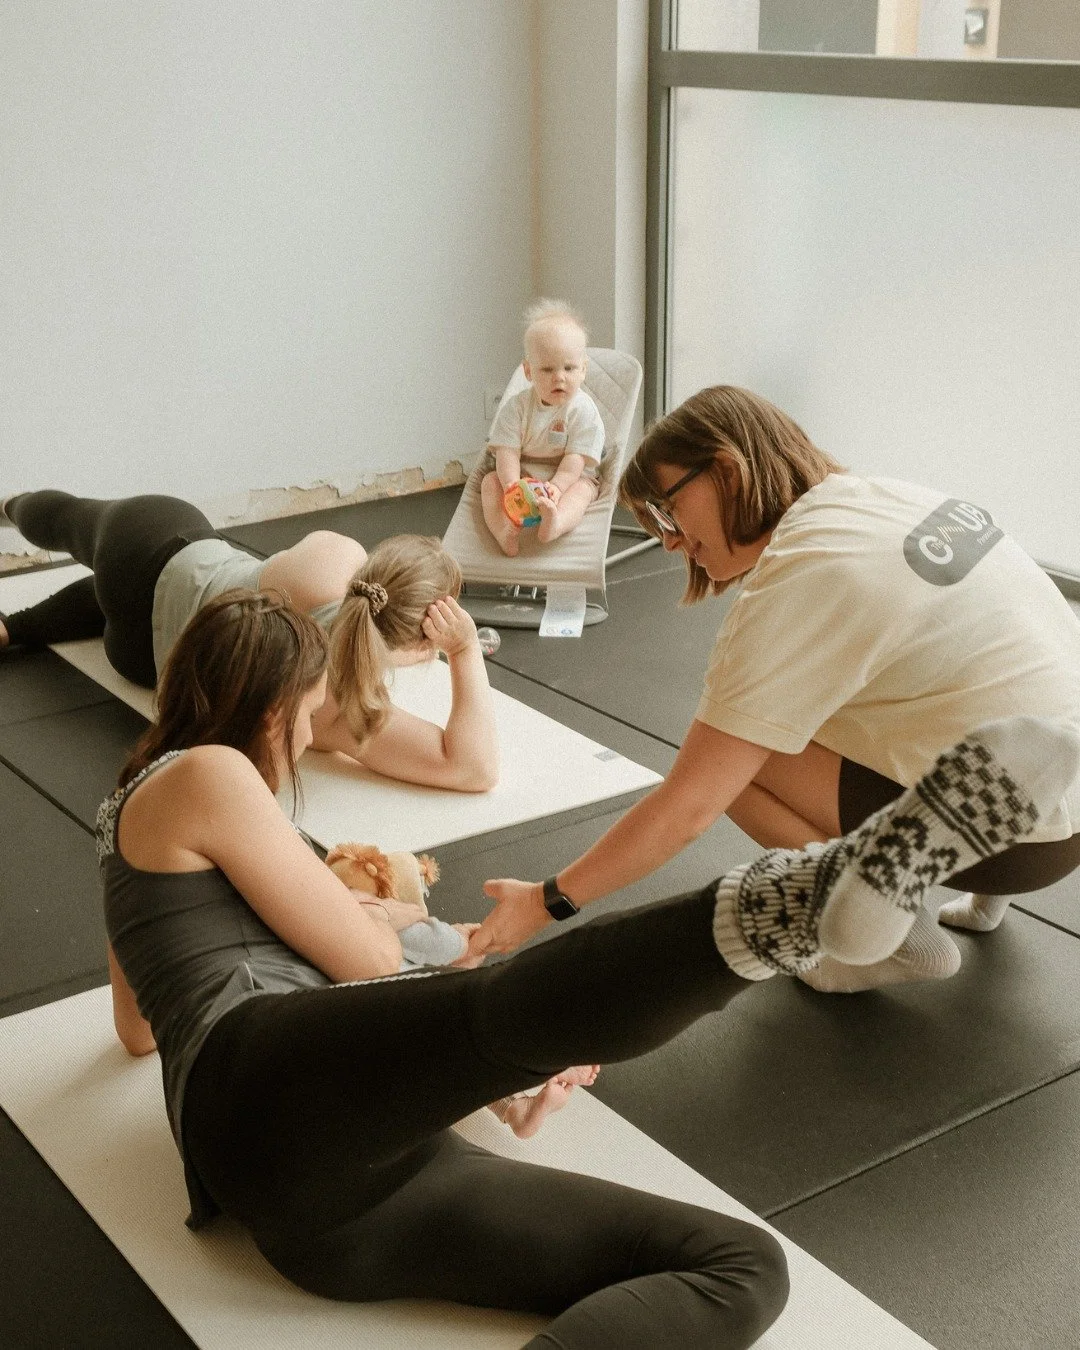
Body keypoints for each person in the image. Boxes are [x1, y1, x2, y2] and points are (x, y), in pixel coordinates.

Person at [98, 590, 1076, 1344]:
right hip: (259, 1082)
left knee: (739, 1268)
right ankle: (809, 898)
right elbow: (367, 960)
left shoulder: (134, 813)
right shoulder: (208, 773)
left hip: (331, 1207)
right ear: (264, 708)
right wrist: (401, 947)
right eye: (306, 714)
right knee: (497, 1007)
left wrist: (484, 1068)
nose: (310, 734)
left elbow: (137, 1028)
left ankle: (823, 898)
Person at [470, 386, 1080, 993]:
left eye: (666, 511)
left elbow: (689, 807)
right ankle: (985, 902)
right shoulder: (877, 498)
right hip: (1060, 795)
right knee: (888, 686)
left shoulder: (802, 577)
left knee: (740, 767)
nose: (670, 540)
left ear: (727, 471)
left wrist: (547, 900)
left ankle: (883, 934)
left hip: (1014, 842)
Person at [0, 490, 497, 791]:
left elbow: (341, 614)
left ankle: (9, 506)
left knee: (73, 519)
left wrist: (397, 640)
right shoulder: (343, 710)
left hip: (147, 547)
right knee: (117, 603)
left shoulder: (334, 557)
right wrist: (464, 651)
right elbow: (474, 769)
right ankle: (14, 627)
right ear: (421, 636)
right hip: (140, 658)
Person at [481, 299, 606, 557]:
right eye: (547, 369)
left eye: (569, 368)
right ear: (528, 371)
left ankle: (557, 522)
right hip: (524, 473)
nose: (559, 376)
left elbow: (575, 460)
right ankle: (504, 530)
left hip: (569, 476)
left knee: (583, 492)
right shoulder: (517, 408)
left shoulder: (584, 411)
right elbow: (507, 452)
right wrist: (512, 485)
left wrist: (557, 488)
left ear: (583, 369)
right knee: (489, 482)